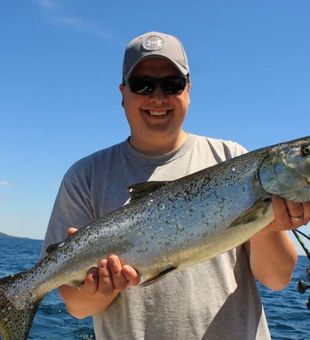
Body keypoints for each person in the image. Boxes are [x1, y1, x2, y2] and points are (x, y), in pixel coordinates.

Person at [41, 31, 310, 339]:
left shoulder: (231, 156)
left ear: (189, 90)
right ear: (122, 92)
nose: (158, 97)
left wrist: (266, 224)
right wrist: (100, 289)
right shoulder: (85, 177)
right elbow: (77, 307)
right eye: (143, 85)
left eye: (172, 85)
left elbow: (277, 279)